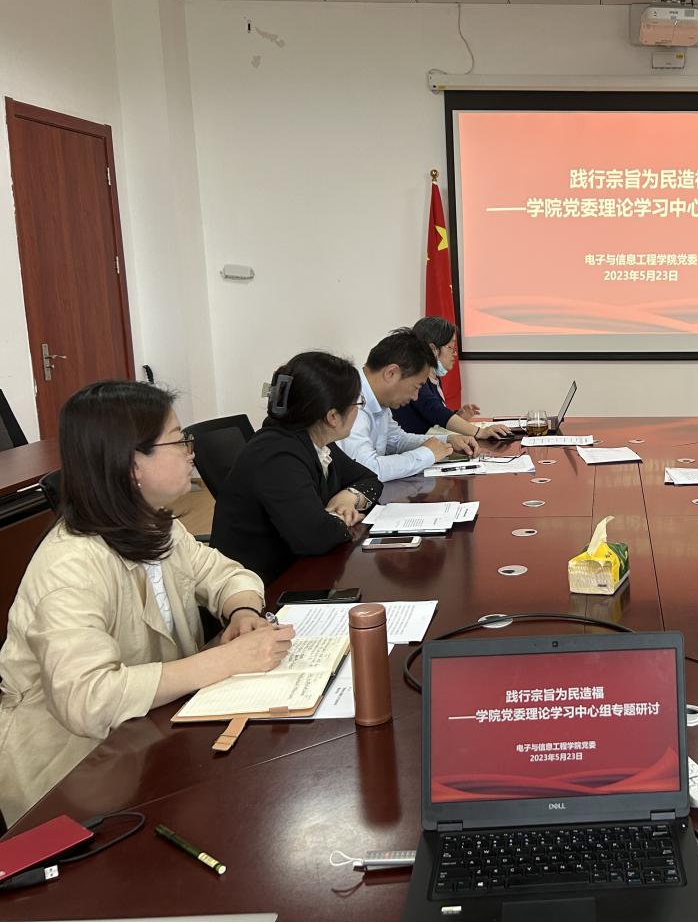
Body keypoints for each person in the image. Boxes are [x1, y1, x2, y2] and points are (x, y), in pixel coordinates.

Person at [0, 381, 294, 824]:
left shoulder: (156, 526)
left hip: (151, 738)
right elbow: (88, 699)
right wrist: (225, 660)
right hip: (72, 779)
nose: (191, 452)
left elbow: (226, 574)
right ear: (131, 463)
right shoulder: (70, 566)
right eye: (178, 440)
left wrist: (243, 611)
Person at [211, 351, 384, 585]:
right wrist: (340, 520)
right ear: (333, 416)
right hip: (258, 589)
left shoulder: (315, 441)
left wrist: (348, 498)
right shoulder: (277, 454)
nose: (357, 410)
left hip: (298, 568)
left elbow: (370, 479)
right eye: (357, 403)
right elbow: (316, 537)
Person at [343, 328, 476, 482]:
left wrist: (446, 441)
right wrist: (427, 454)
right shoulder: (351, 401)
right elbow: (367, 469)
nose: (415, 397)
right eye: (416, 387)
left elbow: (396, 440)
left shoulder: (379, 399)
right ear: (391, 373)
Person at [393, 316, 512, 439]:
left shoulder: (434, 377)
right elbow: (435, 411)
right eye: (451, 347)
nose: (455, 354)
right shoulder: (416, 379)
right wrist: (480, 432)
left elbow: (432, 418)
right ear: (432, 349)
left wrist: (457, 416)